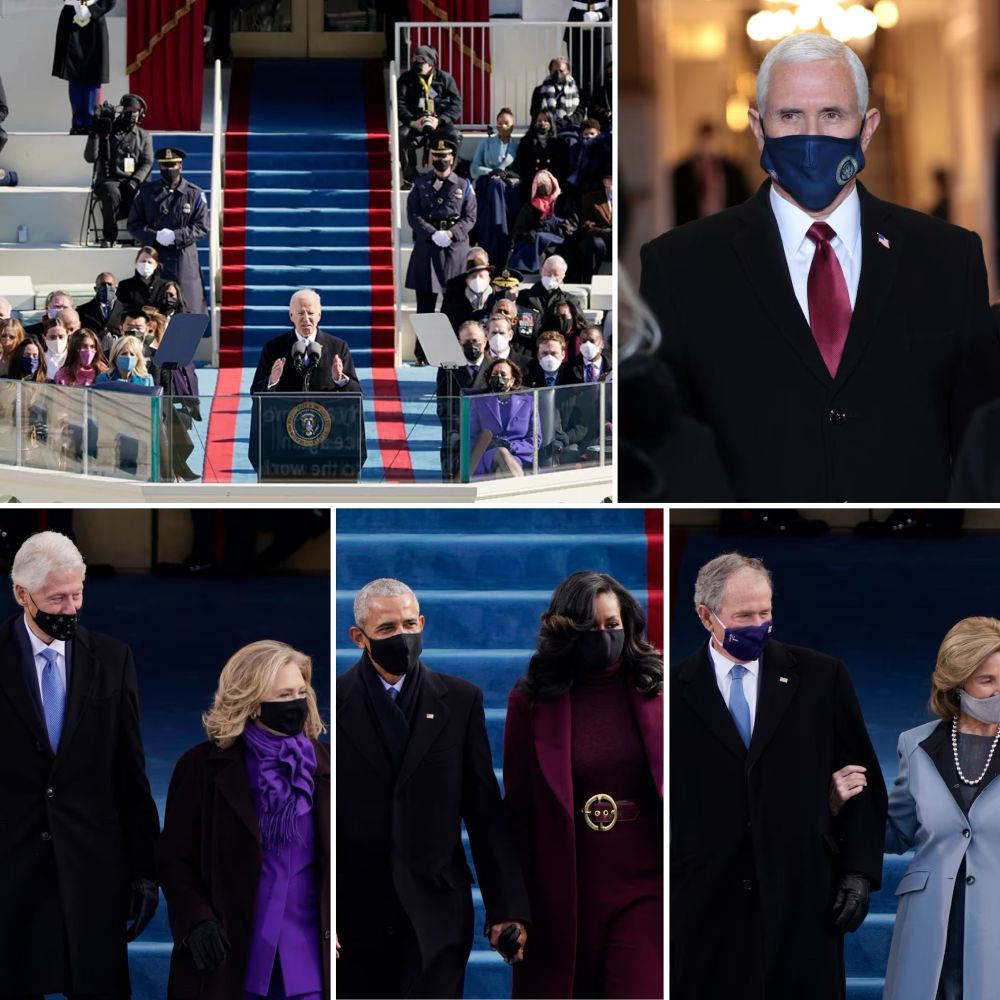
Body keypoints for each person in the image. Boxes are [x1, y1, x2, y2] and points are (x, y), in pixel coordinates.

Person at [641, 32, 1000, 501]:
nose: (811, 138)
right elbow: (668, 454)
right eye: (790, 116)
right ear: (757, 126)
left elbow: (980, 448)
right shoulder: (679, 266)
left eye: (831, 115)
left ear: (867, 128)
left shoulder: (949, 259)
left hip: (912, 552)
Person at [671, 552, 887, 999]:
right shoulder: (671, 692)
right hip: (707, 906)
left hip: (803, 896)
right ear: (705, 616)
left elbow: (865, 783)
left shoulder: (821, 677)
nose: (758, 624)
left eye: (765, 612)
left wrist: (858, 873)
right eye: (744, 615)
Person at [336, 578, 531, 998]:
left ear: (422, 622)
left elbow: (484, 812)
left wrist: (506, 908)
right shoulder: (332, 704)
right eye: (387, 629)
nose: (403, 637)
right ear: (358, 637)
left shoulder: (460, 700)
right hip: (355, 914)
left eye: (410, 624)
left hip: (437, 911)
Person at [0, 530, 159, 995]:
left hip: (92, 867)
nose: (70, 608)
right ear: (21, 594)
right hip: (10, 870)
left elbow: (129, 772)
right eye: (57, 598)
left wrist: (146, 869)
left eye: (77, 594)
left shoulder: (112, 659)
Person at [504, 571, 663, 998]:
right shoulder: (531, 701)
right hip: (564, 888)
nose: (604, 635)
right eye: (590, 628)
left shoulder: (657, 690)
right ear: (567, 632)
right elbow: (518, 811)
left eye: (612, 625)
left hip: (645, 883)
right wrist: (510, 906)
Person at [159, 639, 330, 1000]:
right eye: (283, 695)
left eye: (301, 692)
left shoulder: (326, 764)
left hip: (312, 951)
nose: (296, 704)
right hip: (233, 950)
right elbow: (175, 859)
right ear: (251, 703)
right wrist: (196, 920)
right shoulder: (199, 768)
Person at [876, 616, 1000, 1000]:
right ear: (958, 680)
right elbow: (896, 835)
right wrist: (841, 804)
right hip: (929, 923)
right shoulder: (914, 744)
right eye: (988, 681)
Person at [404, 134, 476, 361]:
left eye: (444, 156)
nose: (440, 160)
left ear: (452, 158)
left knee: (452, 304)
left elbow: (471, 216)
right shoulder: (420, 184)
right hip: (428, 245)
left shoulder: (463, 185)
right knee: (425, 304)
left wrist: (451, 233)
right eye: (436, 156)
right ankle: (423, 354)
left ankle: (447, 353)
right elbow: (413, 214)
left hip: (455, 248)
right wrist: (431, 232)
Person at [128, 148, 209, 314]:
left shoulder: (194, 194)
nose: (169, 169)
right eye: (164, 166)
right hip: (154, 257)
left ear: (180, 166)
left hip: (183, 259)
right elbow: (134, 224)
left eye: (172, 165)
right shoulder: (146, 192)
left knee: (187, 309)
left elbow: (202, 226)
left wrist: (176, 236)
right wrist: (154, 235)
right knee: (151, 310)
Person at [250, 289, 362, 394]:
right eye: (300, 313)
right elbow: (255, 391)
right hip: (286, 413)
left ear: (319, 315)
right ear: (291, 316)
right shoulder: (273, 348)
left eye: (310, 313)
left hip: (326, 413)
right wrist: (272, 380)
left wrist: (340, 379)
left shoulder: (338, 347)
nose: (306, 319)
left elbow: (356, 391)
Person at [84, 94, 152, 247]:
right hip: (109, 179)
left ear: (140, 114)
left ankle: (141, 234)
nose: (131, 113)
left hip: (133, 180)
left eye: (135, 110)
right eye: (128, 109)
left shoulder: (144, 135)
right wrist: (95, 133)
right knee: (111, 192)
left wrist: (136, 180)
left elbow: (147, 161)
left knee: (148, 192)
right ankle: (109, 236)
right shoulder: (107, 129)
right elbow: (90, 157)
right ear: (121, 110)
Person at [396, 45, 462, 185]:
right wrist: (413, 122)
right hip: (416, 123)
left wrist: (440, 120)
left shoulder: (445, 78)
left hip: (438, 123)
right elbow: (399, 104)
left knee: (455, 135)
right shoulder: (406, 79)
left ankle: (448, 174)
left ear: (431, 63)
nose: (418, 66)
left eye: (422, 63)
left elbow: (456, 105)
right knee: (402, 135)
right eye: (415, 62)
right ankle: (410, 178)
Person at [435, 319, 489, 480]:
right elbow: (442, 403)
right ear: (459, 343)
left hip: (485, 434)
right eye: (467, 341)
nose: (472, 345)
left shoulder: (495, 367)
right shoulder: (447, 369)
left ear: (485, 341)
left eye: (476, 341)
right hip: (456, 433)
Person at [52, 0, 116, 134]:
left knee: (93, 74)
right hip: (71, 19)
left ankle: (91, 122)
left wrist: (92, 10)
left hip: (95, 21)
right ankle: (78, 123)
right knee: (73, 72)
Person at [671, 120, 751, 225]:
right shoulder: (682, 172)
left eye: (711, 139)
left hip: (728, 227)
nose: (707, 146)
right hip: (694, 230)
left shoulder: (733, 170)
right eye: (703, 141)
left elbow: (744, 201)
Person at [468, 358, 538, 477]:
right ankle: (523, 488)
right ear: (490, 379)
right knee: (501, 451)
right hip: (488, 454)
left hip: (518, 455)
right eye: (495, 374)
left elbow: (536, 438)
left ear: (512, 381)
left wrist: (513, 446)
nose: (499, 377)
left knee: (501, 472)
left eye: (503, 374)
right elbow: (471, 436)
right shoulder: (478, 402)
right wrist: (491, 445)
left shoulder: (528, 403)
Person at [470, 108, 521, 264]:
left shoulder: (518, 146)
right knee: (494, 183)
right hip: (486, 185)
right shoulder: (485, 143)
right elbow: (474, 169)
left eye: (506, 123)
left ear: (513, 125)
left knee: (498, 184)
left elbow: (520, 172)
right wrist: (493, 172)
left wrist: (505, 176)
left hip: (508, 189)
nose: (503, 126)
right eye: (499, 123)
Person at [508, 170, 577, 275]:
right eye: (540, 184)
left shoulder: (565, 201)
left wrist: (551, 225)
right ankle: (522, 270)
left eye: (546, 183)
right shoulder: (530, 206)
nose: (544, 187)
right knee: (535, 239)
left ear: (553, 182)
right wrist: (529, 233)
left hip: (559, 238)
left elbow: (572, 225)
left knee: (540, 236)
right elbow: (518, 230)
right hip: (537, 241)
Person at [512, 111, 570, 195]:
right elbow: (520, 164)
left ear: (551, 123)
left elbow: (563, 167)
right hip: (531, 183)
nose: (542, 123)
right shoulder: (526, 142)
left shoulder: (560, 143)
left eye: (546, 120)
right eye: (539, 120)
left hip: (554, 182)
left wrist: (550, 179)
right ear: (534, 123)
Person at [441, 256, 493, 334]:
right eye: (473, 276)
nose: (477, 280)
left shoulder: (495, 298)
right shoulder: (456, 300)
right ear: (467, 281)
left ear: (489, 279)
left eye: (481, 276)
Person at [529, 58, 582, 132]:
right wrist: (548, 121)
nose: (558, 74)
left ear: (568, 72)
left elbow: (579, 114)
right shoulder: (539, 90)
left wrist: (565, 122)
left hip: (569, 129)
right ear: (550, 72)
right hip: (545, 129)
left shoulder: (577, 92)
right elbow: (534, 111)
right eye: (555, 71)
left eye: (561, 71)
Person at [78, 271, 125, 341]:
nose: (106, 287)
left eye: (109, 284)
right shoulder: (82, 311)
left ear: (115, 288)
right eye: (102, 284)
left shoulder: (125, 310)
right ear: (95, 288)